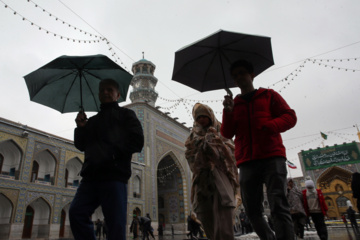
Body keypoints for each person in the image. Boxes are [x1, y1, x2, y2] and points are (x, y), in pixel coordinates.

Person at [221, 59, 296, 240]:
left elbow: (290, 117)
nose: (239, 77)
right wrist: (228, 112)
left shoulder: (268, 96)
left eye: (242, 73)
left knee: (278, 205)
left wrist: (271, 125)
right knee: (252, 208)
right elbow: (227, 133)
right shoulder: (234, 104)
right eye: (235, 75)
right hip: (247, 160)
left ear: (251, 75)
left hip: (272, 156)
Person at [69, 79, 144, 240]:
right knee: (76, 212)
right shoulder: (93, 121)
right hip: (91, 177)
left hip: (114, 176)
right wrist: (81, 128)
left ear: (118, 95)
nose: (105, 92)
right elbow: (81, 145)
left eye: (110, 90)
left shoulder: (126, 115)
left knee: (115, 225)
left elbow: (137, 141)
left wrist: (112, 153)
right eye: (102, 90)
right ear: (98, 94)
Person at [185, 103, 240, 240]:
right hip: (203, 180)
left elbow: (232, 153)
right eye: (198, 118)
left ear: (210, 116)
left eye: (204, 116)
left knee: (224, 209)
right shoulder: (193, 136)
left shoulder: (221, 130)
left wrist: (217, 145)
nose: (201, 120)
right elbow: (190, 155)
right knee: (205, 213)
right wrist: (201, 148)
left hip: (220, 175)